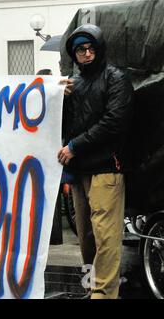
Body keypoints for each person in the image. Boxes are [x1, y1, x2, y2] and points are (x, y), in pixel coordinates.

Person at [58, 24, 134, 299]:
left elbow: (114, 122)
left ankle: (104, 294)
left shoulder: (116, 78)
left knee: (106, 236)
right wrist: (59, 99)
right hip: (80, 172)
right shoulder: (71, 84)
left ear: (99, 50)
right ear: (74, 53)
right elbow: (65, 125)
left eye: (91, 48)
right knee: (86, 236)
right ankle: (92, 287)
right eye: (81, 49)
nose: (87, 54)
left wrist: (75, 146)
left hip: (106, 169)